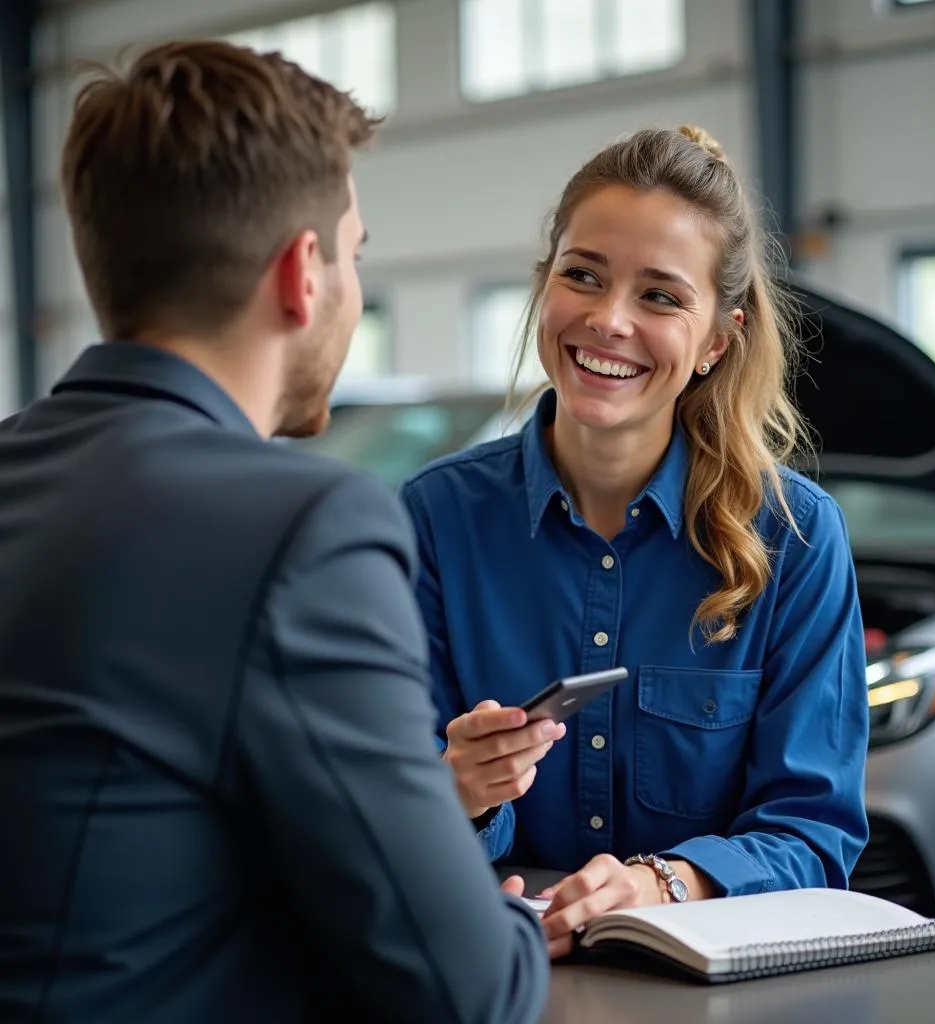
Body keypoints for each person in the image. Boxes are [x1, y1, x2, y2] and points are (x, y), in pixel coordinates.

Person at [0, 41, 548, 1023]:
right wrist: (500, 923)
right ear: (303, 273)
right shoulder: (305, 528)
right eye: (355, 253)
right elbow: (466, 990)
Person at [399, 125, 870, 959]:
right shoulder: (435, 519)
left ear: (716, 340)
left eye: (660, 296)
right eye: (583, 275)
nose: (608, 320)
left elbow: (813, 830)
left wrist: (663, 884)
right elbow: (377, 814)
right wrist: (460, 794)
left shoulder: (794, 537)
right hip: (498, 979)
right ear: (545, 286)